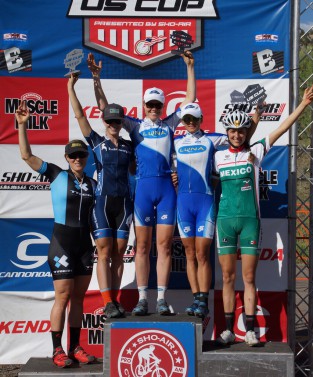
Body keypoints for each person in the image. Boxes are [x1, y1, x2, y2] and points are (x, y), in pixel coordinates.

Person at [87, 50, 196, 315]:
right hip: (144, 190)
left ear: (163, 106)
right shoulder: (135, 126)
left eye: (158, 105)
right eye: (150, 104)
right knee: (143, 247)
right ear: (144, 104)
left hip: (166, 190)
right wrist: (96, 80)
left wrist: (190, 67)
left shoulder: (171, 123)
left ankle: (161, 298)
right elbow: (105, 109)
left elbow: (190, 99)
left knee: (165, 246)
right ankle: (142, 299)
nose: (154, 108)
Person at [214, 85, 313, 346]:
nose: (237, 135)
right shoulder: (218, 156)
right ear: (228, 133)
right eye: (233, 131)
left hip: (250, 222)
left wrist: (302, 105)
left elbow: (281, 129)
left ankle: (249, 330)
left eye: (241, 131)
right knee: (226, 278)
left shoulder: (255, 152)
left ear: (247, 132)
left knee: (248, 278)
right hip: (224, 222)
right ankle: (226, 329)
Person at [16, 100, 97, 368]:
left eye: (81, 155)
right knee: (62, 297)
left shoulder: (93, 182)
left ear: (86, 158)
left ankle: (75, 346)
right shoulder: (56, 174)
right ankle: (57, 349)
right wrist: (22, 126)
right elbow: (27, 157)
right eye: (72, 156)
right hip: (62, 242)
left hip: (85, 245)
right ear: (66, 158)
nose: (77, 159)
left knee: (78, 299)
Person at [174, 102, 261, 319]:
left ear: (202, 118)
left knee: (203, 253)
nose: (191, 123)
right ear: (182, 122)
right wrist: (173, 175)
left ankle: (203, 300)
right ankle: (196, 298)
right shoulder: (175, 141)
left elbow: (242, 135)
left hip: (205, 202)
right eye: (186, 119)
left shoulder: (212, 139)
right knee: (189, 254)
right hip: (183, 202)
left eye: (195, 118)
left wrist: (257, 117)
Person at [67, 74, 135, 319]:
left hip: (125, 204)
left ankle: (115, 301)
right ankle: (107, 302)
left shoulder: (130, 145)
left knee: (119, 253)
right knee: (104, 252)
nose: (113, 124)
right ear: (104, 121)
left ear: (121, 122)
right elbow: (81, 116)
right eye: (109, 121)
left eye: (117, 121)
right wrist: (72, 87)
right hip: (102, 203)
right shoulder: (96, 142)